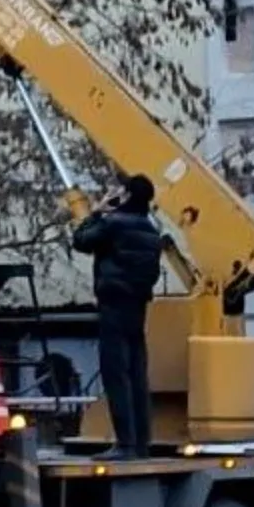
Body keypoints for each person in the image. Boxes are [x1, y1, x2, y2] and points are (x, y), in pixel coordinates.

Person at [72, 174, 163, 460]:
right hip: (137, 306)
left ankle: (124, 444)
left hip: (113, 304)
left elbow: (81, 241)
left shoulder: (113, 224)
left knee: (116, 374)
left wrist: (96, 212)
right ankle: (140, 443)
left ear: (124, 196)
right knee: (137, 374)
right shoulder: (151, 230)